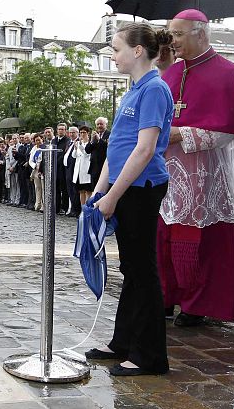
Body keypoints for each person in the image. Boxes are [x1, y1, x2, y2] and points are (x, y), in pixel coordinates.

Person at [157, 9, 234, 326]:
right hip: (169, 172)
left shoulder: (229, 73)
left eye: (177, 33)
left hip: (206, 174)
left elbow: (232, 128)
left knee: (203, 242)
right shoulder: (170, 74)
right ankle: (166, 295)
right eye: (170, 33)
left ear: (200, 33)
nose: (172, 39)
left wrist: (184, 134)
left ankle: (197, 303)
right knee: (165, 237)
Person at [85, 23, 174, 376]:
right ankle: (123, 342)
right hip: (125, 187)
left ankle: (149, 355)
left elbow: (144, 150)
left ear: (138, 51)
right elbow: (117, 146)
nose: (113, 54)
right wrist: (100, 190)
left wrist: (113, 196)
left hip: (141, 188)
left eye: (116, 48)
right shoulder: (134, 89)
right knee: (131, 270)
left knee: (143, 271)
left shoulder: (154, 89)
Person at [85, 117, 110, 188]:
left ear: (106, 125)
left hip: (104, 167)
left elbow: (106, 148)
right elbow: (87, 150)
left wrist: (99, 139)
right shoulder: (94, 135)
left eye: (101, 124)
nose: (99, 126)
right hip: (94, 168)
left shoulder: (110, 134)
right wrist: (92, 141)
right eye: (97, 124)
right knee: (94, 189)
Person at [72, 125, 93, 205]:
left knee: (88, 191)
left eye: (84, 132)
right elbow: (74, 156)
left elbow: (87, 154)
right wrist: (75, 148)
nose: (82, 134)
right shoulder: (78, 143)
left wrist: (80, 146)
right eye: (81, 132)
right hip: (78, 170)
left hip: (86, 170)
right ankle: (82, 209)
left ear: (88, 133)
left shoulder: (90, 143)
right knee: (81, 191)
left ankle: (87, 208)